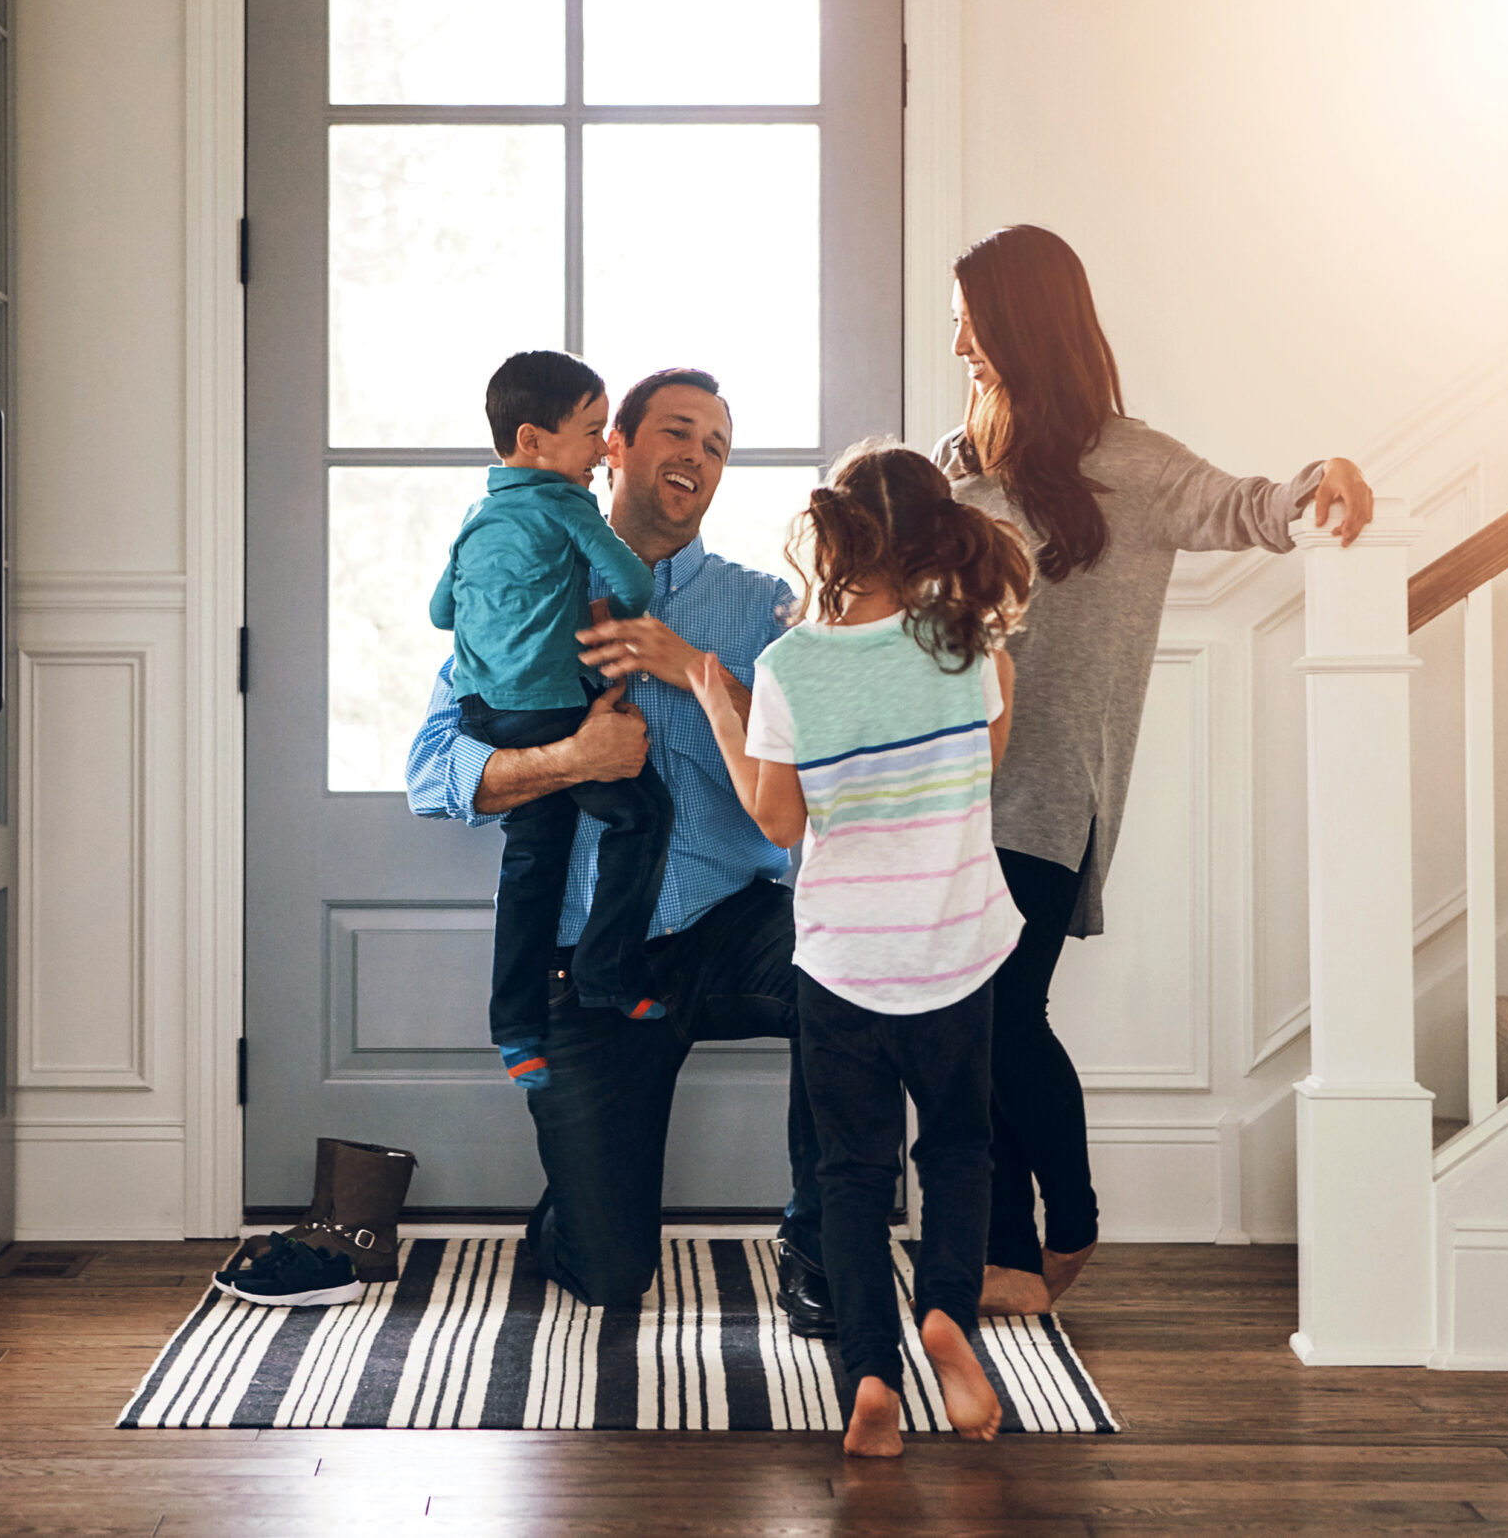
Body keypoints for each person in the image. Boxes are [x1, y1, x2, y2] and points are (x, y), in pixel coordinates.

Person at [933, 223, 1376, 1317]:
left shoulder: (1133, 462)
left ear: (1025, 324)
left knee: (1003, 1014)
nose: (960, 346)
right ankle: (1002, 1255)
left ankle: (1071, 1221)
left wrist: (1324, 475)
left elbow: (1250, 507)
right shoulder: (956, 466)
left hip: (1049, 787)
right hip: (948, 785)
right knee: (963, 1025)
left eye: (974, 324)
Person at [405, 368, 832, 1330]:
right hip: (588, 961)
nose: (698, 456)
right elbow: (430, 772)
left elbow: (816, 770)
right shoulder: (525, 574)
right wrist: (571, 759)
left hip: (730, 922)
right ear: (616, 448)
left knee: (847, 976)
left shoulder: (762, 607)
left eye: (717, 446)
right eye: (677, 431)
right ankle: (578, 1206)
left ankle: (819, 1246)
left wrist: (698, 672)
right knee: (608, 1275)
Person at [690, 442, 1033, 1456]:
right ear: (935, 534)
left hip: (844, 965)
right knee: (958, 1150)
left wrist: (722, 714)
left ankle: (870, 1379)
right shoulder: (973, 649)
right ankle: (946, 1316)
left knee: (850, 1173)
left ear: (834, 540)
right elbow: (983, 774)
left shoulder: (789, 668)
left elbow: (778, 822)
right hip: (954, 953)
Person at [430, 352, 675, 1089]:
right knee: (643, 814)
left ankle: (516, 1032)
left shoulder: (477, 515)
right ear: (534, 441)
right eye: (594, 431)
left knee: (532, 863)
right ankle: (605, 970)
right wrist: (610, 617)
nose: (604, 446)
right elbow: (634, 582)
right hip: (551, 710)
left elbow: (441, 612)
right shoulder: (569, 505)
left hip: (485, 713)